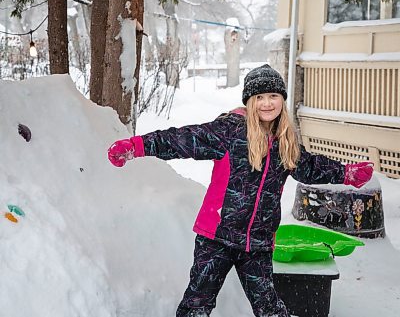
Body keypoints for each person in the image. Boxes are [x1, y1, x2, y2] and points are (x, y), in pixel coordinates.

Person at [107, 64, 373, 317]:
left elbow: (311, 167)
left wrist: (346, 173)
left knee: (269, 307)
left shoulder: (285, 142)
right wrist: (136, 146)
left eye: (273, 96)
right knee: (197, 302)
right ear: (250, 101)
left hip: (257, 243)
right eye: (260, 97)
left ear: (282, 100)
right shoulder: (230, 131)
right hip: (217, 237)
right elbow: (182, 140)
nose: (267, 103)